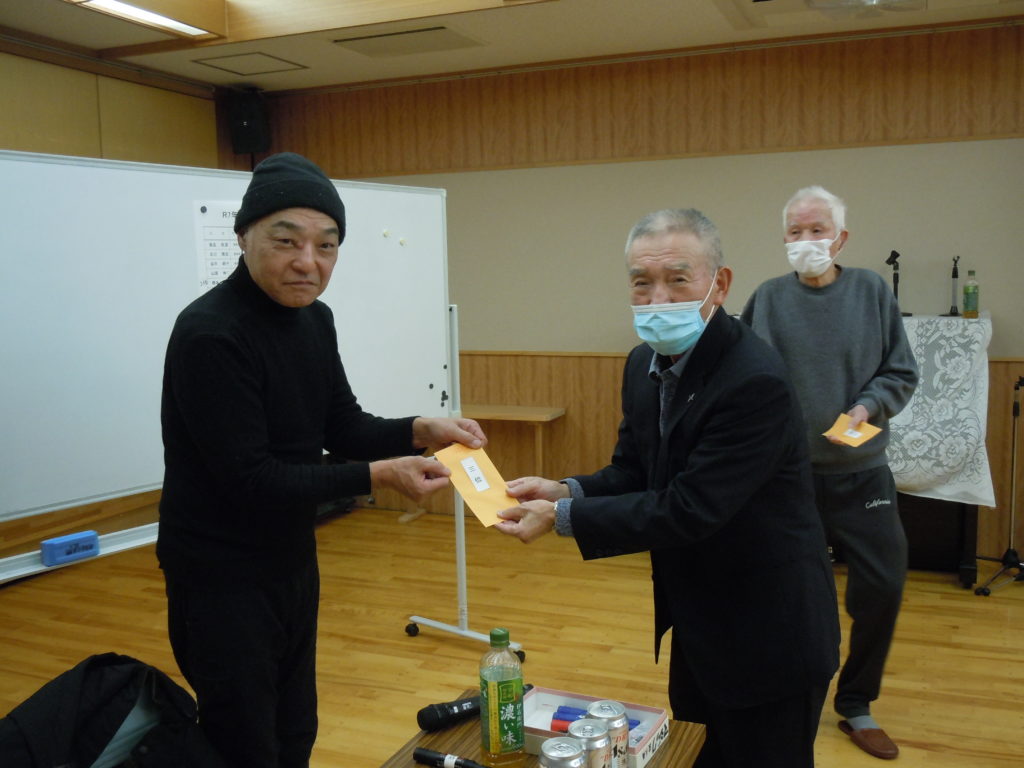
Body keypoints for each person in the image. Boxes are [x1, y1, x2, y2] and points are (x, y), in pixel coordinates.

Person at [157, 152, 485, 768]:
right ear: (244, 237)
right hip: (219, 573)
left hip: (289, 558)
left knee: (295, 730)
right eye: (287, 241)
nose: (308, 262)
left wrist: (420, 429)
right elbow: (250, 478)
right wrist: (379, 476)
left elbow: (344, 425)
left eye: (326, 246)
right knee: (244, 742)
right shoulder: (211, 333)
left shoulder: (314, 319)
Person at [495, 208, 840, 768]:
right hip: (699, 621)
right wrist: (564, 491)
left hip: (770, 631)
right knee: (693, 755)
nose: (658, 299)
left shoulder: (753, 379)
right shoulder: (643, 364)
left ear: (719, 284)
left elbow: (690, 508)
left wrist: (559, 520)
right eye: (642, 282)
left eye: (678, 279)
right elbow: (635, 471)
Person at [740, 186, 919, 761]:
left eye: (817, 230)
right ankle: (785, 695)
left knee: (883, 585)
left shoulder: (870, 291)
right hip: (788, 479)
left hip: (862, 472)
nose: (806, 241)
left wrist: (866, 407)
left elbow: (900, 371)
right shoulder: (768, 298)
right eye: (795, 232)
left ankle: (856, 702)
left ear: (840, 238)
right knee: (784, 592)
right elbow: (745, 374)